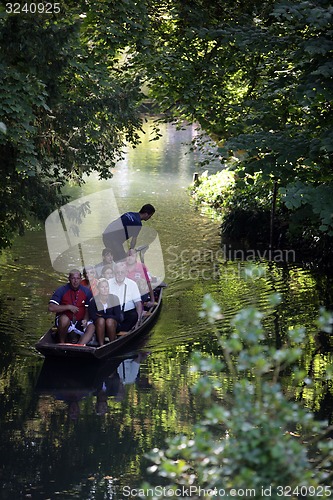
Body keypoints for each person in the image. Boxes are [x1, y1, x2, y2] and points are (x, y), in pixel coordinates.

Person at [48, 269, 94, 344]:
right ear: (69, 279)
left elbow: (87, 308)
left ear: (80, 279)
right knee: (64, 319)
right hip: (66, 322)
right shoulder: (61, 290)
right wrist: (68, 307)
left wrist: (85, 319)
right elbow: (51, 307)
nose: (75, 281)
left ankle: (79, 346)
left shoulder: (86, 291)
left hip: (80, 322)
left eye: (77, 278)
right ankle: (62, 343)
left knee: (92, 327)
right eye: (73, 278)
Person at [79, 278, 122, 346]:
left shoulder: (114, 298)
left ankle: (112, 343)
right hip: (99, 326)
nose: (105, 289)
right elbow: (93, 317)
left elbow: (117, 316)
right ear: (98, 289)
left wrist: (103, 316)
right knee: (101, 320)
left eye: (106, 287)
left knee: (109, 321)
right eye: (102, 287)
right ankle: (101, 345)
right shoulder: (93, 301)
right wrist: (102, 317)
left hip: (113, 326)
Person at [108, 261, 143, 332]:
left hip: (128, 313)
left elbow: (138, 303)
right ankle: (116, 330)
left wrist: (139, 320)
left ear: (126, 273)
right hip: (114, 313)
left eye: (122, 272)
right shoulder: (108, 283)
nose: (120, 274)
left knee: (134, 316)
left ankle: (119, 330)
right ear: (114, 272)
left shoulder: (132, 284)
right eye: (118, 272)